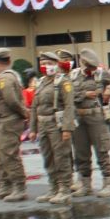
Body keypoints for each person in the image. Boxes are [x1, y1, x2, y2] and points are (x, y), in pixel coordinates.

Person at [29, 51, 76, 206]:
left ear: (56, 64)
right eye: (43, 64)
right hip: (42, 125)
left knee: (61, 156)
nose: (45, 67)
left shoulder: (63, 82)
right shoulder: (41, 82)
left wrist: (67, 128)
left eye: (49, 64)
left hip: (57, 125)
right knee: (48, 156)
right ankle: (53, 187)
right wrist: (33, 128)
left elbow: (69, 106)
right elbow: (35, 106)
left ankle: (64, 189)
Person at [69, 49, 110, 198]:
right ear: (82, 63)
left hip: (96, 116)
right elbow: (67, 95)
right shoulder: (73, 75)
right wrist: (83, 94)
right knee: (81, 152)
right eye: (88, 66)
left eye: (93, 67)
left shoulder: (102, 74)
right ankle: (85, 184)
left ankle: (108, 184)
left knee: (102, 150)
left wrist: (109, 89)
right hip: (79, 117)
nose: (91, 69)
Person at [0, 48, 29, 202]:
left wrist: (24, 113)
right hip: (0, 122)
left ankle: (19, 187)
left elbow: (11, 101)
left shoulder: (5, 79)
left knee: (9, 155)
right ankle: (5, 185)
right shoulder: (2, 78)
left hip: (7, 122)